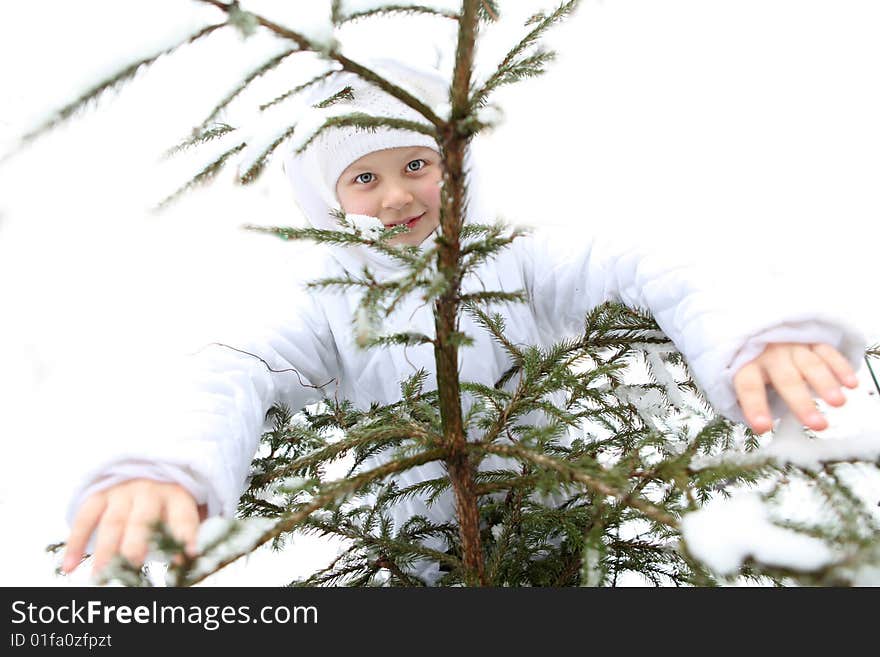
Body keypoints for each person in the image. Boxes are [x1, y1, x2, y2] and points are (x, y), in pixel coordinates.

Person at [61, 60, 865, 583]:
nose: (399, 195)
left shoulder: (514, 258)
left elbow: (645, 256)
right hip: (418, 566)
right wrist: (167, 463)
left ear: (451, 160)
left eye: (415, 163)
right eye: (364, 178)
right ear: (328, 203)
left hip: (558, 537)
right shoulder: (328, 301)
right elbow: (232, 364)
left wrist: (753, 329)